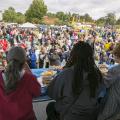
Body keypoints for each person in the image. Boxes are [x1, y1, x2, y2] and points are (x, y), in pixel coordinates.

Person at [46, 41, 103, 120]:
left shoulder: (67, 73)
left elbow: (51, 93)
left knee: (50, 107)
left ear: (73, 55)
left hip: (70, 115)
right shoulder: (97, 74)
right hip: (91, 115)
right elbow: (99, 92)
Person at [0, 47, 41, 120]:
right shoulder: (29, 79)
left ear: (7, 60)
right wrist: (28, 70)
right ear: (24, 62)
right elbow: (37, 93)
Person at [97, 43, 120, 120]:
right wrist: (108, 67)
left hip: (114, 101)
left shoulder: (115, 70)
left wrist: (100, 74)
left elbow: (105, 83)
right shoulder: (115, 69)